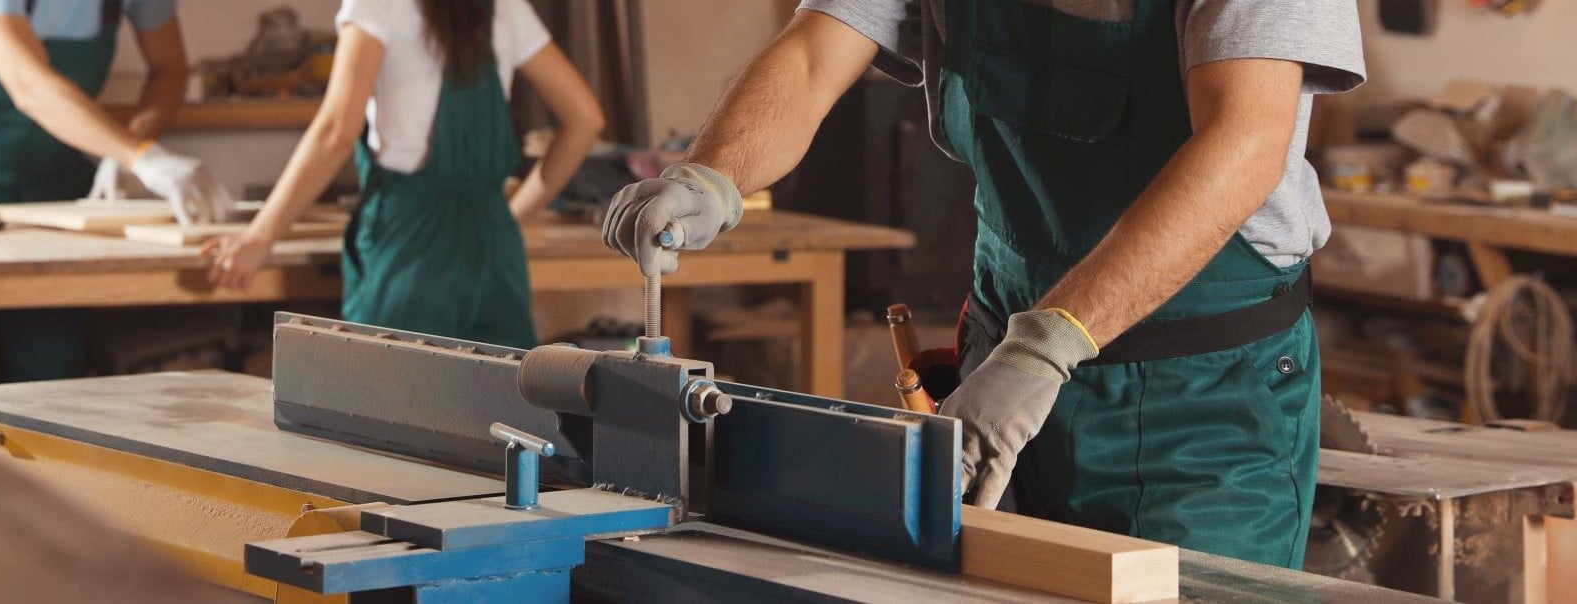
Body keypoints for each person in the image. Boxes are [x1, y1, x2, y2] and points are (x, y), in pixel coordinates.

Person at [601, 1, 1364, 568]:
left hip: (1200, 410)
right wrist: (710, 177)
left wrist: (1051, 341)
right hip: (999, 376)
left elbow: (1245, 139)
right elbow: (812, 54)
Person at [203, 0, 603, 349]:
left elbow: (337, 131)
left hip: (410, 245)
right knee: (501, 420)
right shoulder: (504, 6)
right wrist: (508, 218)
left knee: (391, 413)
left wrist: (259, 237)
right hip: (495, 247)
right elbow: (585, 119)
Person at [0, 0, 229, 383]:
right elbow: (26, 83)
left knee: (51, 368)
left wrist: (130, 142)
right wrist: (141, 156)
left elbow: (169, 68)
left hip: (57, 185)